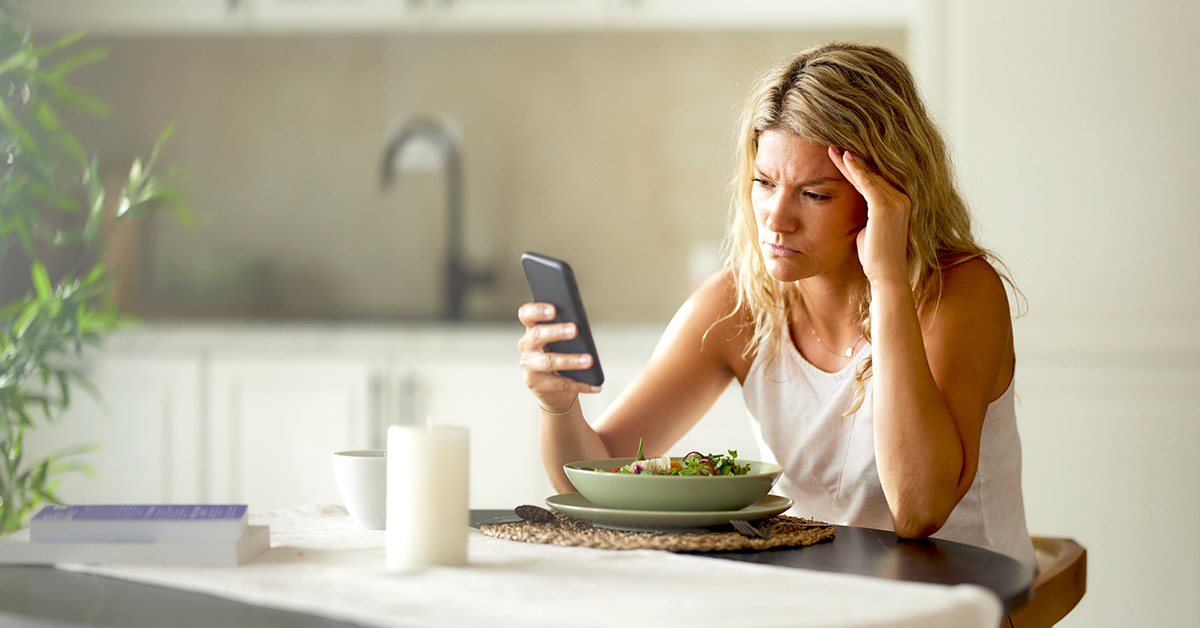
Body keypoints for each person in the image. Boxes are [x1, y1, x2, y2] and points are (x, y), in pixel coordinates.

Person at [516, 41, 1036, 571]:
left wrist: (888, 281)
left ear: (889, 195)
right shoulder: (738, 305)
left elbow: (918, 510)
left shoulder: (959, 293)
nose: (776, 220)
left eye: (814, 194)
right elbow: (595, 480)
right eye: (764, 183)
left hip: (968, 601)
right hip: (813, 597)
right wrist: (558, 406)